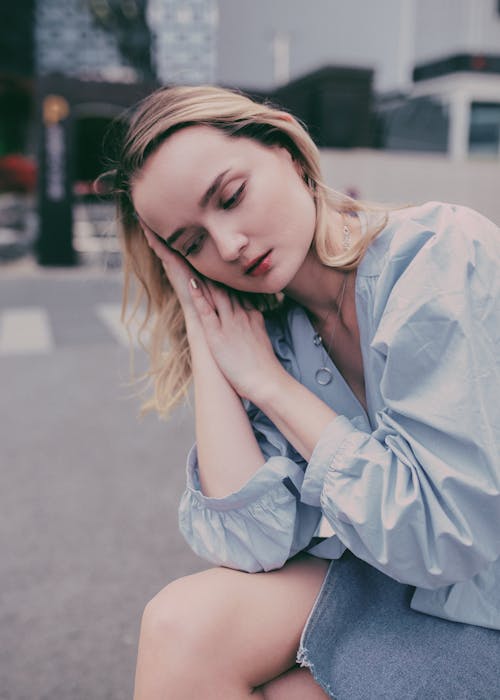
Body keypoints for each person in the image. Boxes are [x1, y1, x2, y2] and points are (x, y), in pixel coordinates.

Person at [110, 85, 500, 699]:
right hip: (408, 586)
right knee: (180, 627)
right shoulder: (280, 338)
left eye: (232, 197)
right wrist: (203, 325)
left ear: (288, 149)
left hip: (482, 591)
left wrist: (270, 386)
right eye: (193, 246)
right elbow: (250, 545)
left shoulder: (436, 255)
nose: (229, 245)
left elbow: (444, 535)